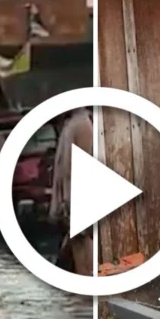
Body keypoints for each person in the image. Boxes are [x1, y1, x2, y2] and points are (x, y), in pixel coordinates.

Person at [50, 108, 94, 276]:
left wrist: (69, 198)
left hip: (78, 195)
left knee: (82, 240)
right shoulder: (74, 125)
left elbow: (80, 164)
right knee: (77, 241)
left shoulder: (81, 126)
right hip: (73, 196)